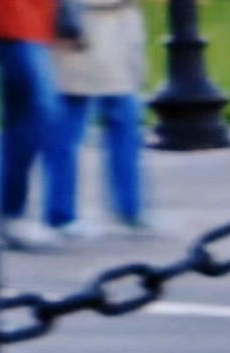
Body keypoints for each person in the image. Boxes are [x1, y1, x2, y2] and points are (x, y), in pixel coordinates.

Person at [43, 0, 151, 237]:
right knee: (69, 126)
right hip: (79, 28)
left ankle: (130, 208)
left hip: (115, 31)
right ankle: (61, 213)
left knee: (124, 121)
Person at [0, 0, 67, 250]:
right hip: (8, 20)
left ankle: (10, 213)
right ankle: (12, 213)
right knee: (40, 109)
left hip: (36, 23)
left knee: (21, 119)